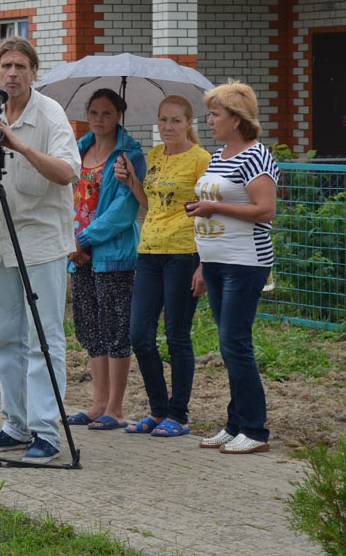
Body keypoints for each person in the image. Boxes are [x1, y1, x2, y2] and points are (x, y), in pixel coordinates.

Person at [0, 37, 80, 464]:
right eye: (5, 65)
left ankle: (47, 431)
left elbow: (67, 173)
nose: (13, 73)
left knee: (43, 338)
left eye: (21, 66)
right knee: (4, 337)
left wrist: (19, 145)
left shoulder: (51, 114)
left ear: (33, 71)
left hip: (40, 242)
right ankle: (15, 424)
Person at [187, 81, 279, 455]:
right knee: (229, 346)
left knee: (235, 343)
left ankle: (255, 429)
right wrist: (200, 260)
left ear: (237, 119)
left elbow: (265, 211)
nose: (209, 121)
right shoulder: (219, 155)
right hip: (215, 261)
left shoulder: (257, 156)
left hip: (245, 261)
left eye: (215, 114)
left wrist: (215, 208)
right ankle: (235, 424)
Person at [116, 95, 210, 438]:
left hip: (185, 253)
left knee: (176, 336)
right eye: (163, 120)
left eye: (175, 120)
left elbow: (209, 214)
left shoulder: (202, 160)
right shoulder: (154, 156)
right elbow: (149, 202)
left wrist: (203, 265)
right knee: (139, 335)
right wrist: (131, 182)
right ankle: (158, 409)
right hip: (150, 251)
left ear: (188, 124)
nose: (167, 127)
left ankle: (179, 414)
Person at [64, 88, 145, 431]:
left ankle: (116, 408)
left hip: (112, 255)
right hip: (77, 254)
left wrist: (81, 240)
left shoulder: (130, 156)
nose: (99, 119)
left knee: (115, 330)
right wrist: (70, 243)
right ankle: (97, 404)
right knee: (89, 329)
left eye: (107, 113)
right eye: (94, 113)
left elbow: (123, 212)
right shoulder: (76, 151)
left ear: (119, 115)